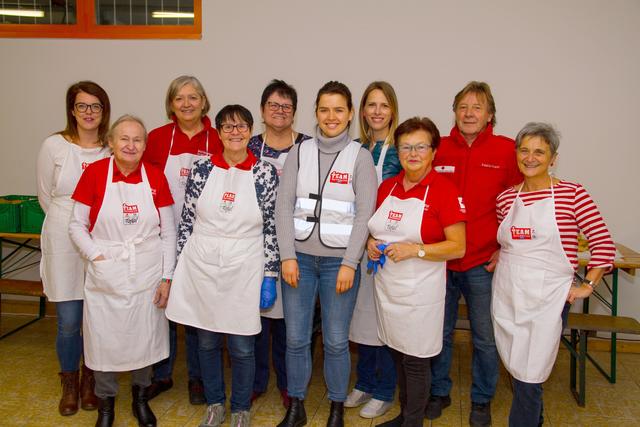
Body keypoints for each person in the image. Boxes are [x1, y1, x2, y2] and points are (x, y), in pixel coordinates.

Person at [492, 122, 615, 427]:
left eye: (539, 152)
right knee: (517, 365)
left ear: (553, 158)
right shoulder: (506, 199)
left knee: (531, 369)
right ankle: (537, 419)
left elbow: (603, 242)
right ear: (516, 155)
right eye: (524, 150)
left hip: (548, 297)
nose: (530, 158)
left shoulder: (573, 194)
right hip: (509, 292)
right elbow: (508, 243)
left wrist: (588, 284)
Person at [165, 104, 279, 427]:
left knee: (243, 345)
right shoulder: (201, 170)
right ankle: (215, 403)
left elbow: (270, 226)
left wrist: (270, 274)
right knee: (206, 342)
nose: (235, 133)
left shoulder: (264, 172)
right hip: (200, 264)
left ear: (250, 130)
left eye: (241, 126)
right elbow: (186, 221)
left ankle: (241, 408)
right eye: (227, 127)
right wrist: (175, 270)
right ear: (217, 132)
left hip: (245, 265)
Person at [275, 81, 378, 427]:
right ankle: (297, 406)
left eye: (338, 110)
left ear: (350, 114)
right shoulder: (298, 152)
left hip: (339, 265)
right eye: (323, 109)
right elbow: (283, 206)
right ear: (315, 113)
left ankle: (336, 405)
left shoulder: (360, 157)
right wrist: (287, 255)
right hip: (299, 261)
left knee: (335, 341)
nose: (330, 117)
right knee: (296, 338)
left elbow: (365, 214)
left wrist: (351, 262)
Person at [69, 115, 176, 427]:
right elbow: (76, 225)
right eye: (124, 139)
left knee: (144, 337)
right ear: (112, 143)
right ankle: (106, 405)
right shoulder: (95, 174)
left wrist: (166, 277)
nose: (131, 145)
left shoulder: (155, 177)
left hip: (147, 270)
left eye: (137, 140)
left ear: (145, 145)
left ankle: (140, 398)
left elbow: (168, 232)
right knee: (105, 340)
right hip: (108, 270)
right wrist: (96, 256)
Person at [429, 81, 521, 427]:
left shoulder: (506, 151)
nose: (469, 113)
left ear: (490, 114)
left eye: (477, 107)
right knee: (439, 332)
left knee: (485, 336)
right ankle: (439, 391)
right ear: (454, 112)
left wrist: (504, 248)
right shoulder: (438, 148)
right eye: (463, 107)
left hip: (483, 262)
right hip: (441, 261)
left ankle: (482, 398)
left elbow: (519, 205)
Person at [367, 117, 466, 427]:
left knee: (415, 361)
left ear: (433, 151)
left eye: (420, 146)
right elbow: (378, 229)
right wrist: (372, 243)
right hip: (389, 288)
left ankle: (413, 422)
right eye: (406, 147)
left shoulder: (443, 191)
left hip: (421, 293)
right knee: (397, 354)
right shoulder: (387, 187)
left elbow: (457, 247)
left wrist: (417, 250)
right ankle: (405, 413)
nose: (412, 153)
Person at [142, 75, 222, 405]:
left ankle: (197, 378)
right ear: (170, 104)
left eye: (193, 97)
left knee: (194, 308)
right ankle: (161, 374)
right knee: (163, 305)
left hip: (201, 235)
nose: (186, 103)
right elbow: (143, 183)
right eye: (179, 98)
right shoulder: (158, 138)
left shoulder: (217, 138)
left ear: (204, 102)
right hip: (162, 232)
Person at [37, 81, 111, 417]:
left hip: (101, 236)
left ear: (103, 110)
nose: (89, 112)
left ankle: (91, 379)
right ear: (72, 110)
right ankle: (70, 379)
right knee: (68, 319)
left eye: (95, 106)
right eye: (82, 106)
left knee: (96, 315)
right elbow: (45, 196)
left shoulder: (110, 148)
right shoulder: (54, 145)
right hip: (63, 237)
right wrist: (68, 222)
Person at [247, 79, 311, 409]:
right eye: (273, 105)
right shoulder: (248, 146)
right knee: (257, 319)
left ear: (295, 113)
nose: (280, 111)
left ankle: (289, 384)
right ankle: (257, 381)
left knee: (291, 321)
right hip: (253, 243)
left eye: (286, 106)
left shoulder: (308, 148)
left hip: (296, 244)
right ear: (262, 110)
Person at [346, 81, 401, 419]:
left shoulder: (400, 150)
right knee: (362, 318)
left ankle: (384, 390)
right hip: (359, 244)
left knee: (385, 322)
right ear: (363, 111)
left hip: (389, 248)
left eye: (384, 105)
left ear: (393, 109)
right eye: (371, 105)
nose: (377, 111)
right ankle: (365, 381)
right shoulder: (354, 148)